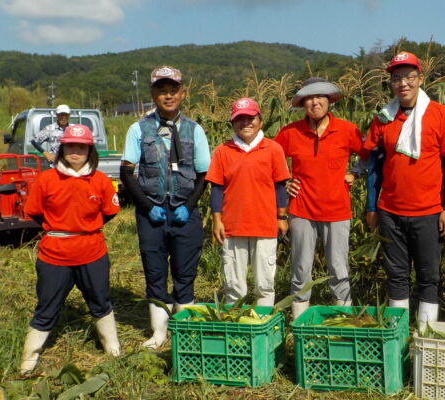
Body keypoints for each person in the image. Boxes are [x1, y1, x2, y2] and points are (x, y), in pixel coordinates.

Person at [363, 52, 445, 331]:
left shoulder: (441, 115)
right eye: (396, 78)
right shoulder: (383, 118)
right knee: (396, 275)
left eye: (408, 77)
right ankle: (399, 335)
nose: (402, 83)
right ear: (391, 83)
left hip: (429, 211)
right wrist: (372, 207)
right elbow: (374, 166)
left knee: (429, 277)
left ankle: (425, 334)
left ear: (420, 79)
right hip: (391, 211)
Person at [119, 66, 211, 350]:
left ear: (182, 93)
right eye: (162, 90)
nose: (168, 96)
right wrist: (146, 206)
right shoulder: (138, 128)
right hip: (152, 214)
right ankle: (159, 334)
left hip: (185, 212)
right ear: (153, 94)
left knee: (185, 273)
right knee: (155, 272)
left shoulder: (195, 130)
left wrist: (190, 205)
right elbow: (126, 172)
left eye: (173, 90)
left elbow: (204, 174)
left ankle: (184, 332)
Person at [20, 124, 121, 374]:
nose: (75, 151)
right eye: (70, 146)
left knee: (100, 301)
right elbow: (34, 211)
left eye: (81, 147)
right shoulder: (46, 179)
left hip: (92, 252)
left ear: (90, 151)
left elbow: (109, 212)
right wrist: (61, 229)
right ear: (62, 148)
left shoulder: (101, 181)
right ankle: (28, 360)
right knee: (46, 306)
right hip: (54, 254)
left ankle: (113, 350)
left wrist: (84, 229)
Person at [274, 78, 367, 318]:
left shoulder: (347, 130)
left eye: (320, 97)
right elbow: (271, 160)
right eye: (309, 99)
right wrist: (286, 182)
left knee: (338, 266)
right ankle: (299, 320)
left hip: (337, 210)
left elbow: (369, 155)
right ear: (303, 104)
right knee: (301, 267)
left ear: (329, 101)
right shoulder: (290, 132)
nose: (315, 103)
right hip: (301, 210)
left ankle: (343, 320)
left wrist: (355, 172)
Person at [206, 98, 291, 306]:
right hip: (233, 226)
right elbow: (216, 188)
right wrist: (217, 220)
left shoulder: (273, 149)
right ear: (232, 124)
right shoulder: (222, 151)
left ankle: (264, 325)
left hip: (265, 225)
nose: (246, 123)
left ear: (260, 120)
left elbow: (280, 186)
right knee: (234, 284)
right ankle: (236, 328)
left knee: (264, 283)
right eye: (239, 119)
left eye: (251, 118)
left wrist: (281, 217)